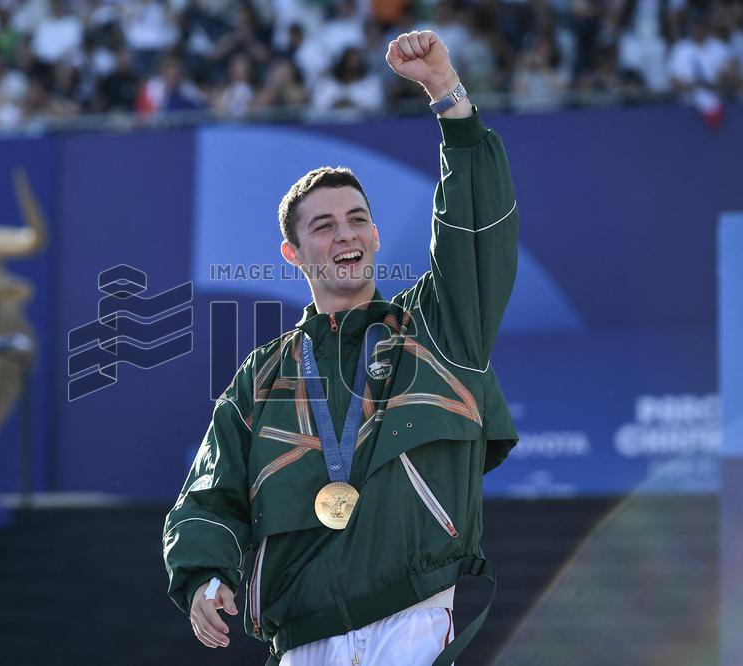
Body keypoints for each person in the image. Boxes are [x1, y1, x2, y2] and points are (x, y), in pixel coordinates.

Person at [162, 30, 520, 666]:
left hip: (411, 616)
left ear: (377, 234)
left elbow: (475, 231)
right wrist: (201, 576)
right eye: (323, 227)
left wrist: (447, 95)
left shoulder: (438, 329)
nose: (345, 234)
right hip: (301, 638)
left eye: (357, 219)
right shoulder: (260, 377)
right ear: (293, 255)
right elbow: (211, 493)